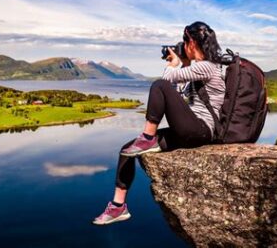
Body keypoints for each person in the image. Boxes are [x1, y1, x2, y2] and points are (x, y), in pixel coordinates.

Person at [93, 21, 226, 225]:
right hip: (189, 130)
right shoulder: (198, 70)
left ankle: (147, 137)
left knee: (159, 84)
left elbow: (167, 82)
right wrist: (182, 64)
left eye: (184, 41)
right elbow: (176, 93)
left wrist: (173, 64)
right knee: (127, 149)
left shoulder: (207, 67)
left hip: (201, 130)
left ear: (191, 42)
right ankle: (118, 207)